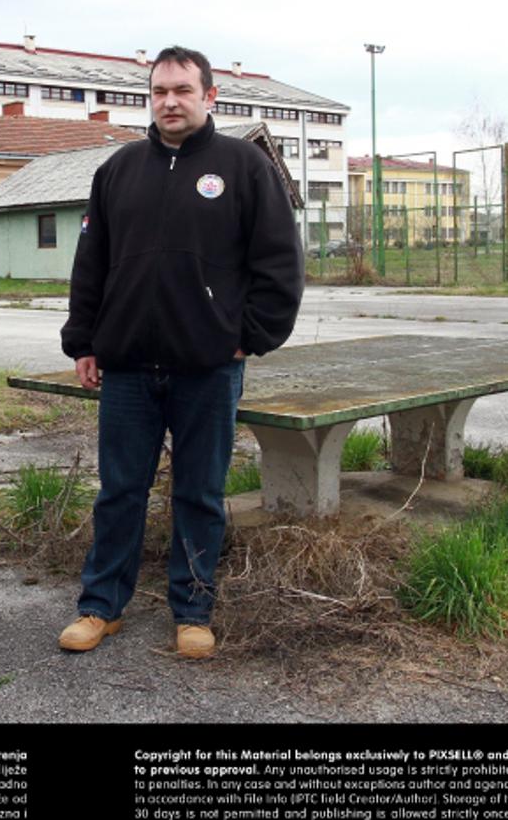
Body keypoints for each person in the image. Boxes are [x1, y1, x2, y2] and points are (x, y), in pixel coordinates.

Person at [59, 46, 303, 657]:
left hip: (208, 367)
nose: (169, 102)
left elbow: (280, 264)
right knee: (119, 491)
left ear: (209, 96)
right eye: (159, 92)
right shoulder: (118, 170)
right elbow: (91, 265)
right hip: (128, 368)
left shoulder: (244, 167)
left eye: (182, 91)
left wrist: (249, 335)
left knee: (198, 494)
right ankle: (100, 606)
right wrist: (84, 340)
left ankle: (193, 610)